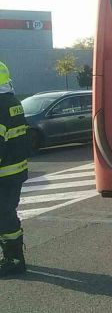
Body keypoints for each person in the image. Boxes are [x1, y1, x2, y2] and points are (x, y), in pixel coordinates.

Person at [0, 61, 29, 277]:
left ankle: (14, 260)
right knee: (7, 213)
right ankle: (14, 255)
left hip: (4, 173)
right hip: (15, 170)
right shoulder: (12, 100)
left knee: (4, 215)